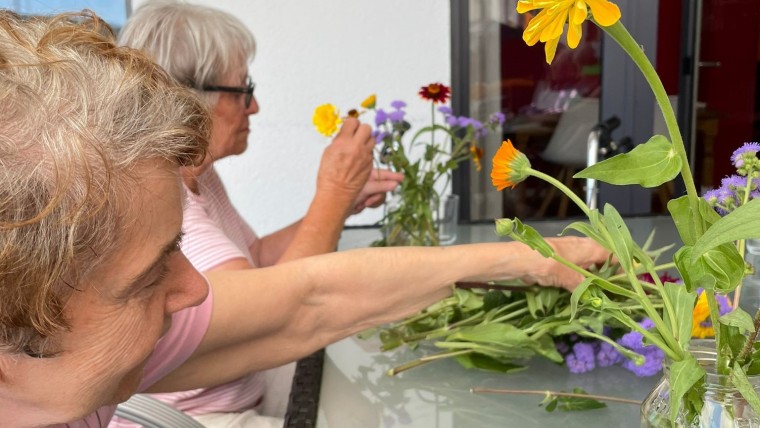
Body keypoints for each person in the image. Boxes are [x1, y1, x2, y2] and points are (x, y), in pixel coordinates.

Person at [0, 10, 610, 428]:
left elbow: (304, 298)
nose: (195, 289)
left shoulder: (84, 353)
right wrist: (331, 196)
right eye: (149, 275)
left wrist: (529, 260)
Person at [114, 2, 403, 425]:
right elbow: (277, 313)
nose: (255, 107)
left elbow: (258, 259)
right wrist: (334, 194)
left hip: (245, 391)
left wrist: (342, 202)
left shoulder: (198, 177)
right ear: (191, 99)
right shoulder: (161, 203)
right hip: (203, 418)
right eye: (243, 89)